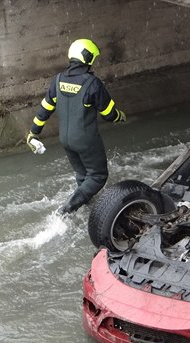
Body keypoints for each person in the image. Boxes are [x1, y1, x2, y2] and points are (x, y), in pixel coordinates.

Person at [26, 39, 126, 214]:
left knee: (83, 176)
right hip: (85, 139)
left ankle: (86, 210)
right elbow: (109, 114)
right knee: (97, 176)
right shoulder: (92, 83)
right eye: (93, 58)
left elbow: (45, 109)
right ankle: (67, 209)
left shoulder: (58, 81)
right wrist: (120, 116)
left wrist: (33, 133)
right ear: (87, 58)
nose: (93, 62)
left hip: (65, 140)